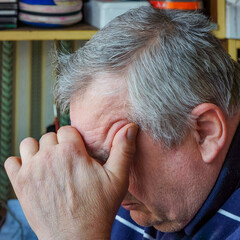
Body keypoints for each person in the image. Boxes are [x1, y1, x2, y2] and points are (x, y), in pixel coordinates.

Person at [4, 6, 240, 239]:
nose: (102, 178)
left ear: (204, 132)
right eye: (90, 156)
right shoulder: (158, 202)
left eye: (116, 154)